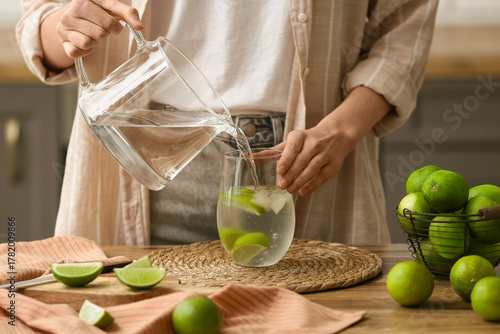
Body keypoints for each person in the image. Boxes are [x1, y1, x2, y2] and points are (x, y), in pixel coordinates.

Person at [17, 0, 439, 245]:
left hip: (307, 160)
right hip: (137, 154)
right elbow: (40, 18)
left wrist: (342, 130)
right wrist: (66, 27)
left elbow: (404, 22)